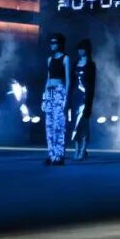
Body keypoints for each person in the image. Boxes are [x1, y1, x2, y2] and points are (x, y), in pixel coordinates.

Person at [42, 33, 70, 165]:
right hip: (50, 92)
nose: (52, 45)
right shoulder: (49, 59)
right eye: (51, 42)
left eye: (54, 42)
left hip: (60, 91)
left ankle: (59, 155)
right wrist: (44, 97)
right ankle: (51, 154)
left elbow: (68, 80)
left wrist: (66, 97)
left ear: (60, 44)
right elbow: (48, 78)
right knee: (48, 124)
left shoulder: (65, 58)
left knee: (59, 125)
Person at [70, 38, 97, 160]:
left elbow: (92, 84)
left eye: (83, 49)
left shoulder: (91, 65)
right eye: (79, 49)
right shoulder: (75, 63)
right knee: (75, 125)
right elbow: (71, 80)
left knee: (84, 124)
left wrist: (89, 102)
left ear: (87, 50)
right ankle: (77, 149)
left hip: (85, 97)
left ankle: (83, 149)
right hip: (75, 96)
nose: (80, 51)